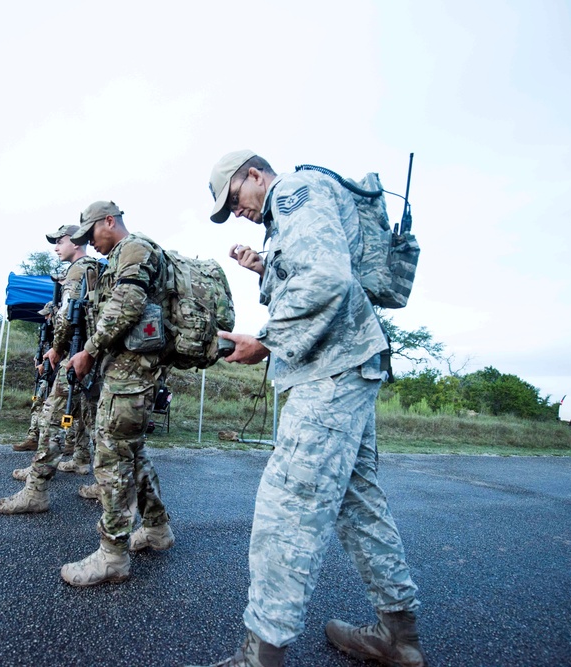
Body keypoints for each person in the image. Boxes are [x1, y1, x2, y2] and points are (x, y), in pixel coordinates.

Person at [188, 151, 427, 667]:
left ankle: (261, 655)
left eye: (234, 198)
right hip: (351, 366)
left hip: (330, 373)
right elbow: (319, 270)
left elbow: (325, 279)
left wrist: (266, 341)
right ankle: (399, 635)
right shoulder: (292, 213)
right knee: (359, 504)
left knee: (288, 509)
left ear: (255, 174)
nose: (237, 212)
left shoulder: (294, 191)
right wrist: (264, 266)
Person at [60, 201, 175, 587]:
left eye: (91, 233)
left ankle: (113, 556)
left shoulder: (134, 248)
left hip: (131, 377)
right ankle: (157, 528)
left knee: (111, 458)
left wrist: (89, 351)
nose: (90, 242)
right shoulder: (120, 257)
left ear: (109, 221)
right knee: (132, 452)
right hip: (128, 374)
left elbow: (128, 304)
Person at [0, 224, 102, 514]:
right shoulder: (95, 269)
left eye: (60, 241)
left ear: (76, 242)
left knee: (51, 419)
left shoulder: (78, 271)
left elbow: (67, 317)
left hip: (77, 357)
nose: (56, 247)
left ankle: (36, 490)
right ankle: (106, 484)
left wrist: (55, 348)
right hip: (93, 358)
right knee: (94, 424)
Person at [13, 301, 56, 452]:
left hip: (54, 374)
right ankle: (33, 438)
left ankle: (61, 442)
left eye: (47, 315)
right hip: (45, 374)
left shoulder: (62, 331)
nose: (45, 318)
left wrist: (45, 365)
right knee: (38, 404)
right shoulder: (47, 330)